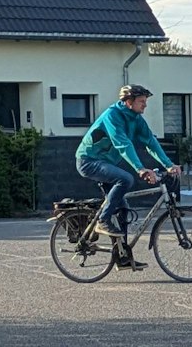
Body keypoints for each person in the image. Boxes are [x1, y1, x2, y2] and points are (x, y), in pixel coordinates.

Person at [76, 84, 178, 263]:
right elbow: (123, 144)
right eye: (141, 101)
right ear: (128, 102)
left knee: (123, 208)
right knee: (126, 179)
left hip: (106, 163)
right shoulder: (112, 116)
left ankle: (122, 256)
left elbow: (150, 142)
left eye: (145, 101)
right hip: (88, 161)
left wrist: (169, 165)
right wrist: (140, 169)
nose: (145, 105)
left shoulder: (136, 119)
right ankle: (103, 219)